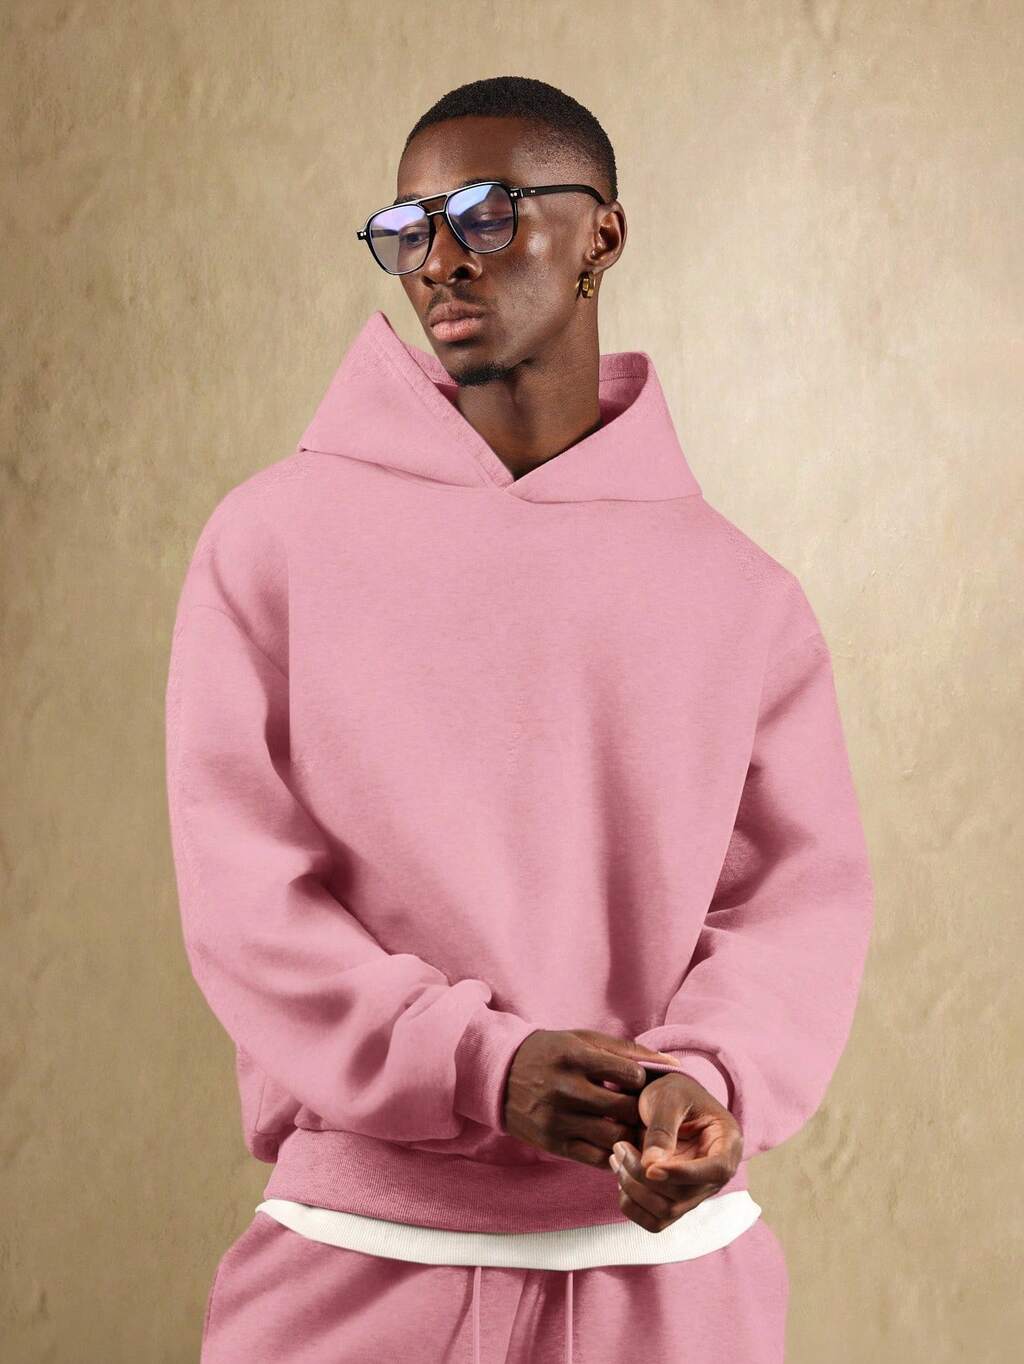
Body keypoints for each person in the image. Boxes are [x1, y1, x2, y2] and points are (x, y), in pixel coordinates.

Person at [164, 75, 874, 1363]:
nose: (440, 260)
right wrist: (478, 1064)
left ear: (603, 232)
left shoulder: (740, 595)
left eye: (488, 214)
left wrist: (705, 1084)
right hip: (355, 1268)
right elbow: (243, 898)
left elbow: (792, 910)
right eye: (408, 228)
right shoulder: (272, 544)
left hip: (669, 1288)